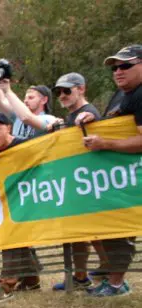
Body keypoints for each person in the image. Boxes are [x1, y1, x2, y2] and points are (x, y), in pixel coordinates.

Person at [76, 44, 142, 297]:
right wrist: (95, 121)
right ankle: (113, 281)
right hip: (118, 178)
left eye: (126, 65)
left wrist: (106, 143)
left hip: (130, 176)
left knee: (122, 229)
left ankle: (115, 284)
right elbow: (117, 123)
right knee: (115, 228)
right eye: (115, 67)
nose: (118, 71)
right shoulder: (123, 95)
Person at [0, 112, 44, 304]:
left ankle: (6, 285)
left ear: (9, 128)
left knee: (11, 236)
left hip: (37, 199)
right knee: (15, 236)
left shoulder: (24, 144)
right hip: (13, 204)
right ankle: (31, 280)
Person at [49, 73, 103, 291]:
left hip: (91, 182)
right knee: (78, 232)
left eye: (67, 90)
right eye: (59, 92)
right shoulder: (70, 117)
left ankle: (112, 277)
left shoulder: (86, 112)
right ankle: (79, 277)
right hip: (74, 182)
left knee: (97, 232)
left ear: (81, 89)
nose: (62, 95)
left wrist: (88, 117)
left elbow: (91, 118)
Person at [0, 61, 57, 140]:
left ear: (44, 100)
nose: (26, 101)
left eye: (31, 98)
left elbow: (26, 118)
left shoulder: (49, 119)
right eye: (25, 98)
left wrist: (7, 91)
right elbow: (0, 101)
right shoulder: (17, 117)